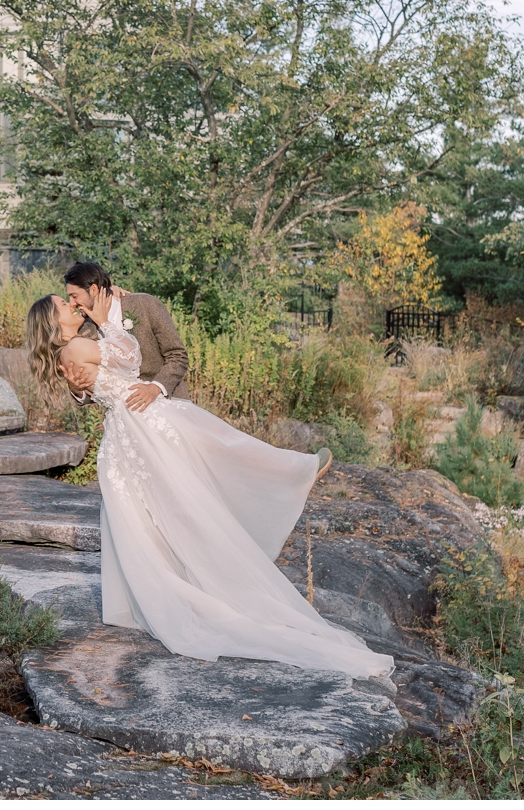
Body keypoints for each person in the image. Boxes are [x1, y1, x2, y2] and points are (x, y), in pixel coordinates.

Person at [24, 289, 391, 680]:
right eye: (64, 304)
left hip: (125, 433)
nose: (72, 305)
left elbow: (91, 382)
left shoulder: (68, 356)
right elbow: (132, 356)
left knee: (156, 512)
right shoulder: (81, 343)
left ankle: (183, 583)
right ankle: (292, 473)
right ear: (53, 320)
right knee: (220, 451)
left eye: (72, 299)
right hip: (143, 422)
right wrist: (110, 320)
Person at [60, 261, 188, 412]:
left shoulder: (145, 305)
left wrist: (154, 388)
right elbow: (100, 387)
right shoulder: (85, 330)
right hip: (127, 418)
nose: (72, 303)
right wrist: (76, 389)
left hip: (171, 406)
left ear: (93, 289)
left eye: (74, 296)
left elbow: (178, 355)